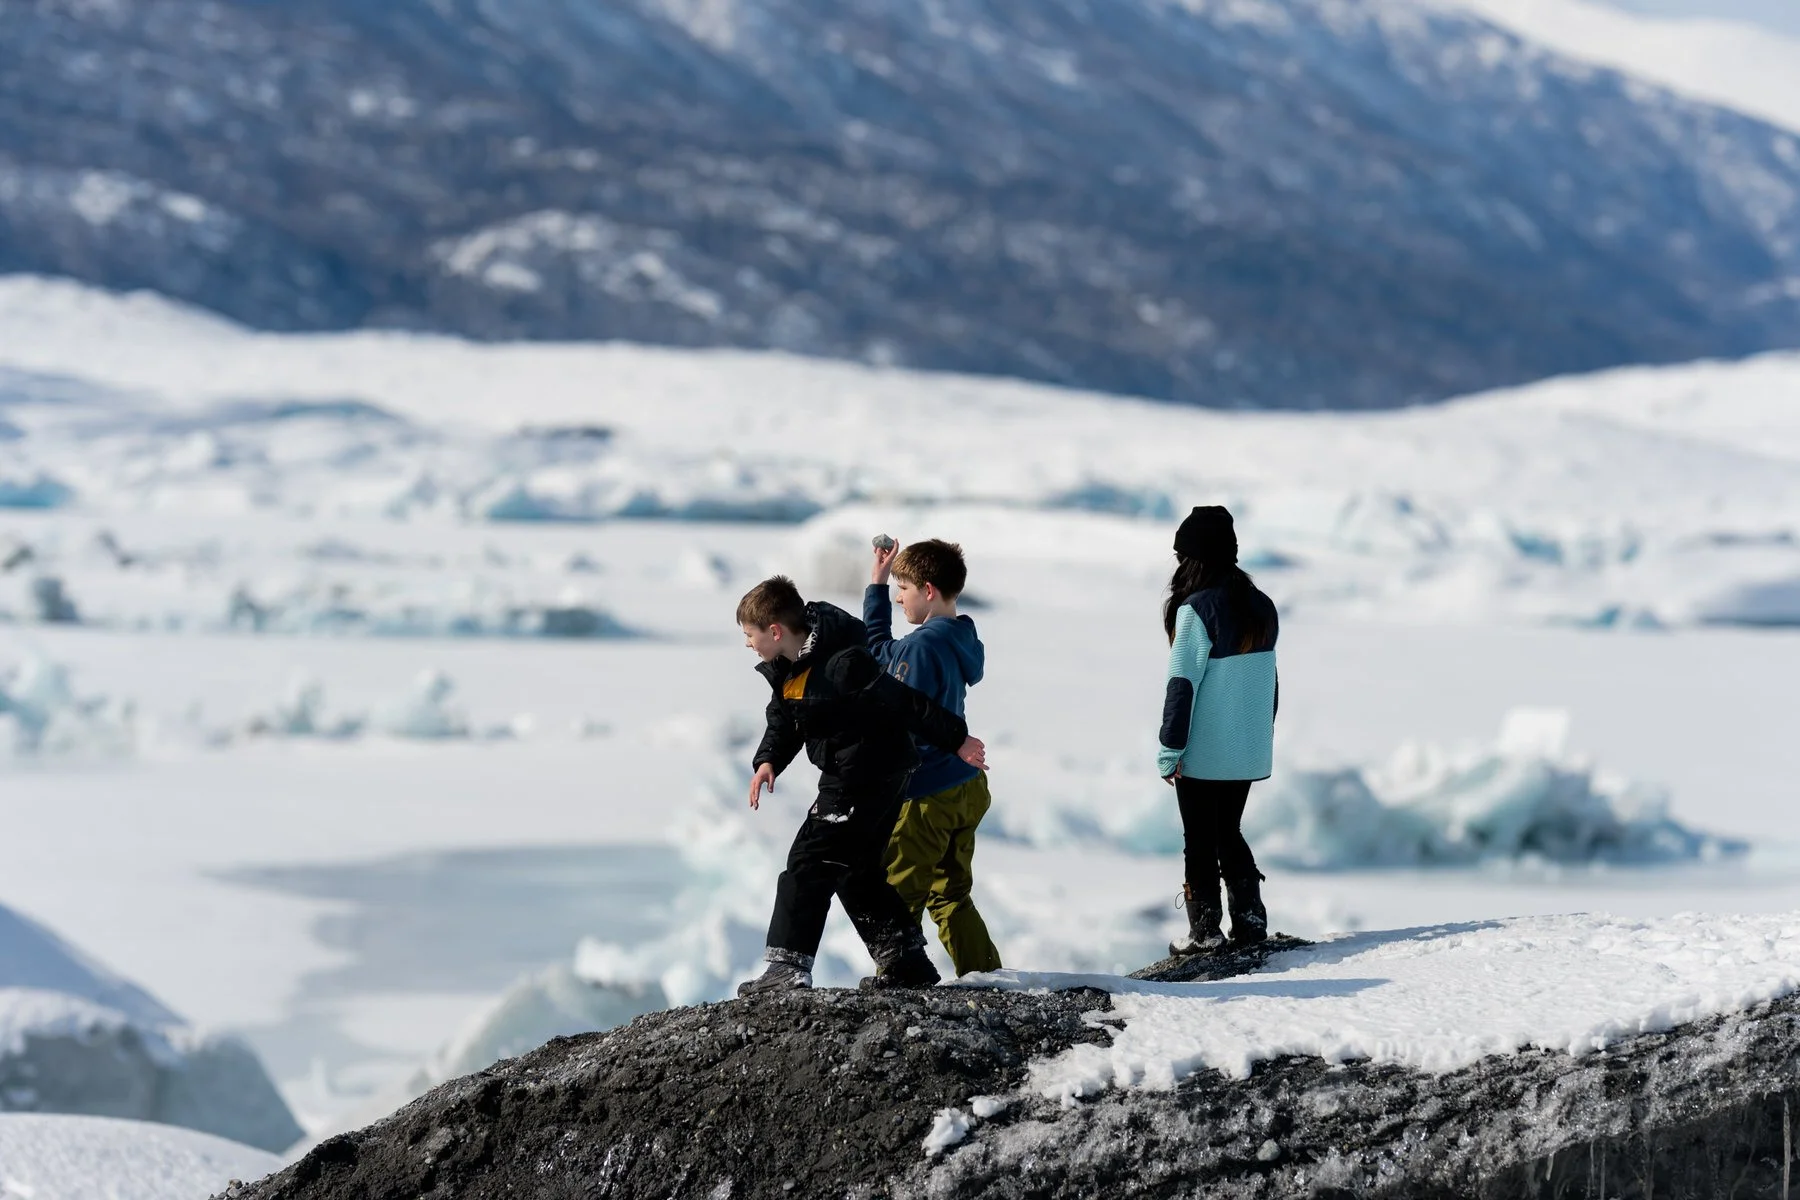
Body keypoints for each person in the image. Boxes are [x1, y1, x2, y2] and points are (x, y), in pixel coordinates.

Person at [735, 575, 987, 996]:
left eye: (750, 635)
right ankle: (905, 961)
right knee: (856, 869)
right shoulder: (789, 665)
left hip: (867, 774)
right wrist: (768, 761)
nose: (747, 644)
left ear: (775, 631)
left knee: (808, 862)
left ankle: (786, 968)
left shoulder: (843, 663)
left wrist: (956, 738)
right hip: (864, 773)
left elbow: (905, 702)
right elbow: (784, 718)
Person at [865, 537, 1003, 977]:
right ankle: (986, 975)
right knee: (951, 895)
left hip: (927, 796)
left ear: (927, 589)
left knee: (898, 892)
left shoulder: (921, 648)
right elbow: (885, 653)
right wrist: (878, 582)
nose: (897, 597)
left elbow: (900, 699)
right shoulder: (959, 635)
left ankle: (900, 977)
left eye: (901, 589)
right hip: (964, 787)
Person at [1157, 505, 1279, 954]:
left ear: (1194, 559)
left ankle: (1204, 933)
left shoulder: (1194, 611)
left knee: (1200, 839)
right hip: (1248, 749)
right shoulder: (1262, 607)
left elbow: (1181, 686)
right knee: (1227, 830)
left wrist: (1170, 748)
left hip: (1204, 751)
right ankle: (1250, 923)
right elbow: (1269, 684)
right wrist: (1259, 738)